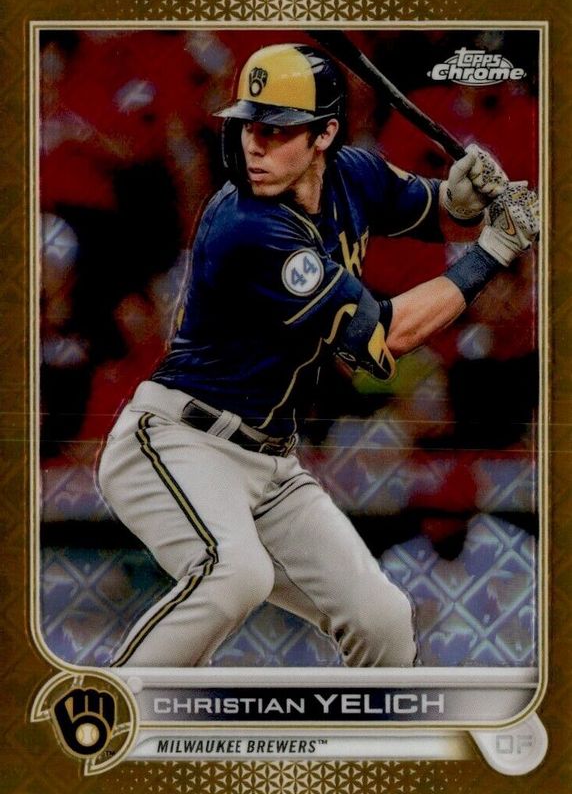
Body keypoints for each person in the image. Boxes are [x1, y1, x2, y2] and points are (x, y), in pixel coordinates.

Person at [98, 43, 539, 668]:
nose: (255, 145)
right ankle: (109, 707)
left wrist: (469, 196)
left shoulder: (352, 174)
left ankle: (374, 730)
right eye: (248, 126)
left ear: (324, 135)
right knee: (235, 575)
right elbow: (386, 336)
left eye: (277, 130)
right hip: (179, 442)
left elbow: (437, 210)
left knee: (382, 621)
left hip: (271, 462)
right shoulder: (249, 224)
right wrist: (492, 250)